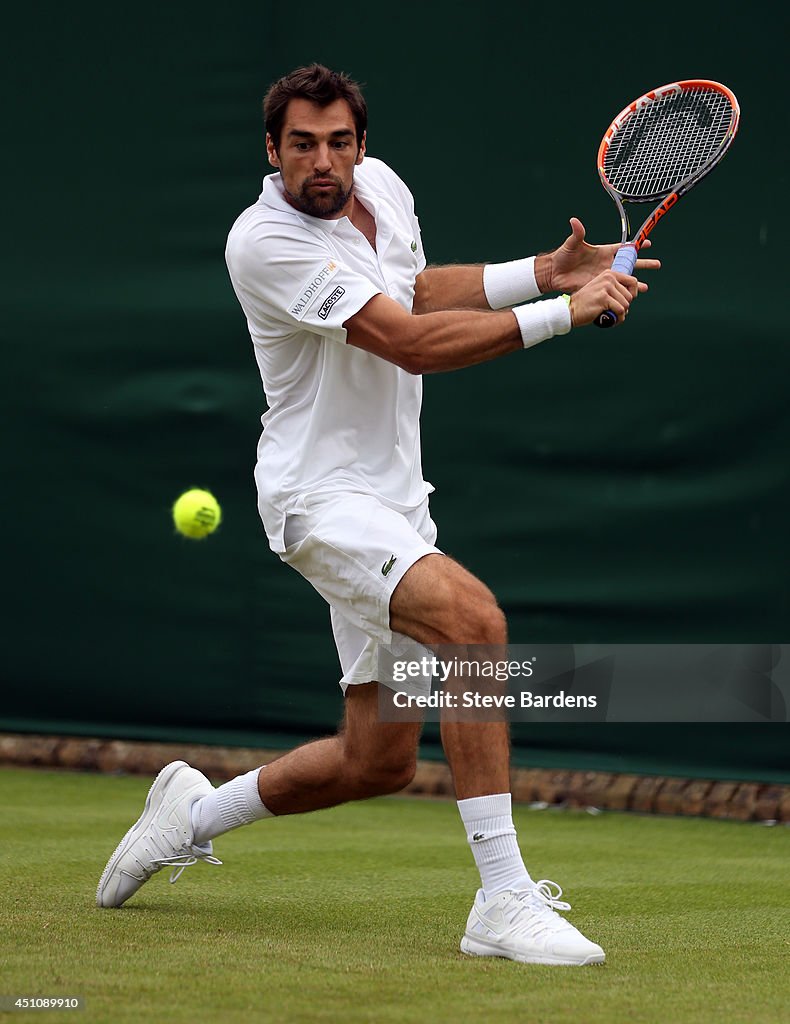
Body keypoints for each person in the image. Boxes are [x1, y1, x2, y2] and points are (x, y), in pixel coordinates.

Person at [96, 64, 659, 966]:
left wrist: (537, 273)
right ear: (271, 150)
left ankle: (190, 814)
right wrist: (564, 311)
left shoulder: (383, 190)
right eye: (303, 145)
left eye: (340, 142)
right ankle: (504, 901)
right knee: (475, 624)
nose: (325, 162)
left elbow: (414, 292)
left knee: (378, 761)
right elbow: (403, 342)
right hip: (320, 500)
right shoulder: (262, 241)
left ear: (361, 143)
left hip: (396, 500)